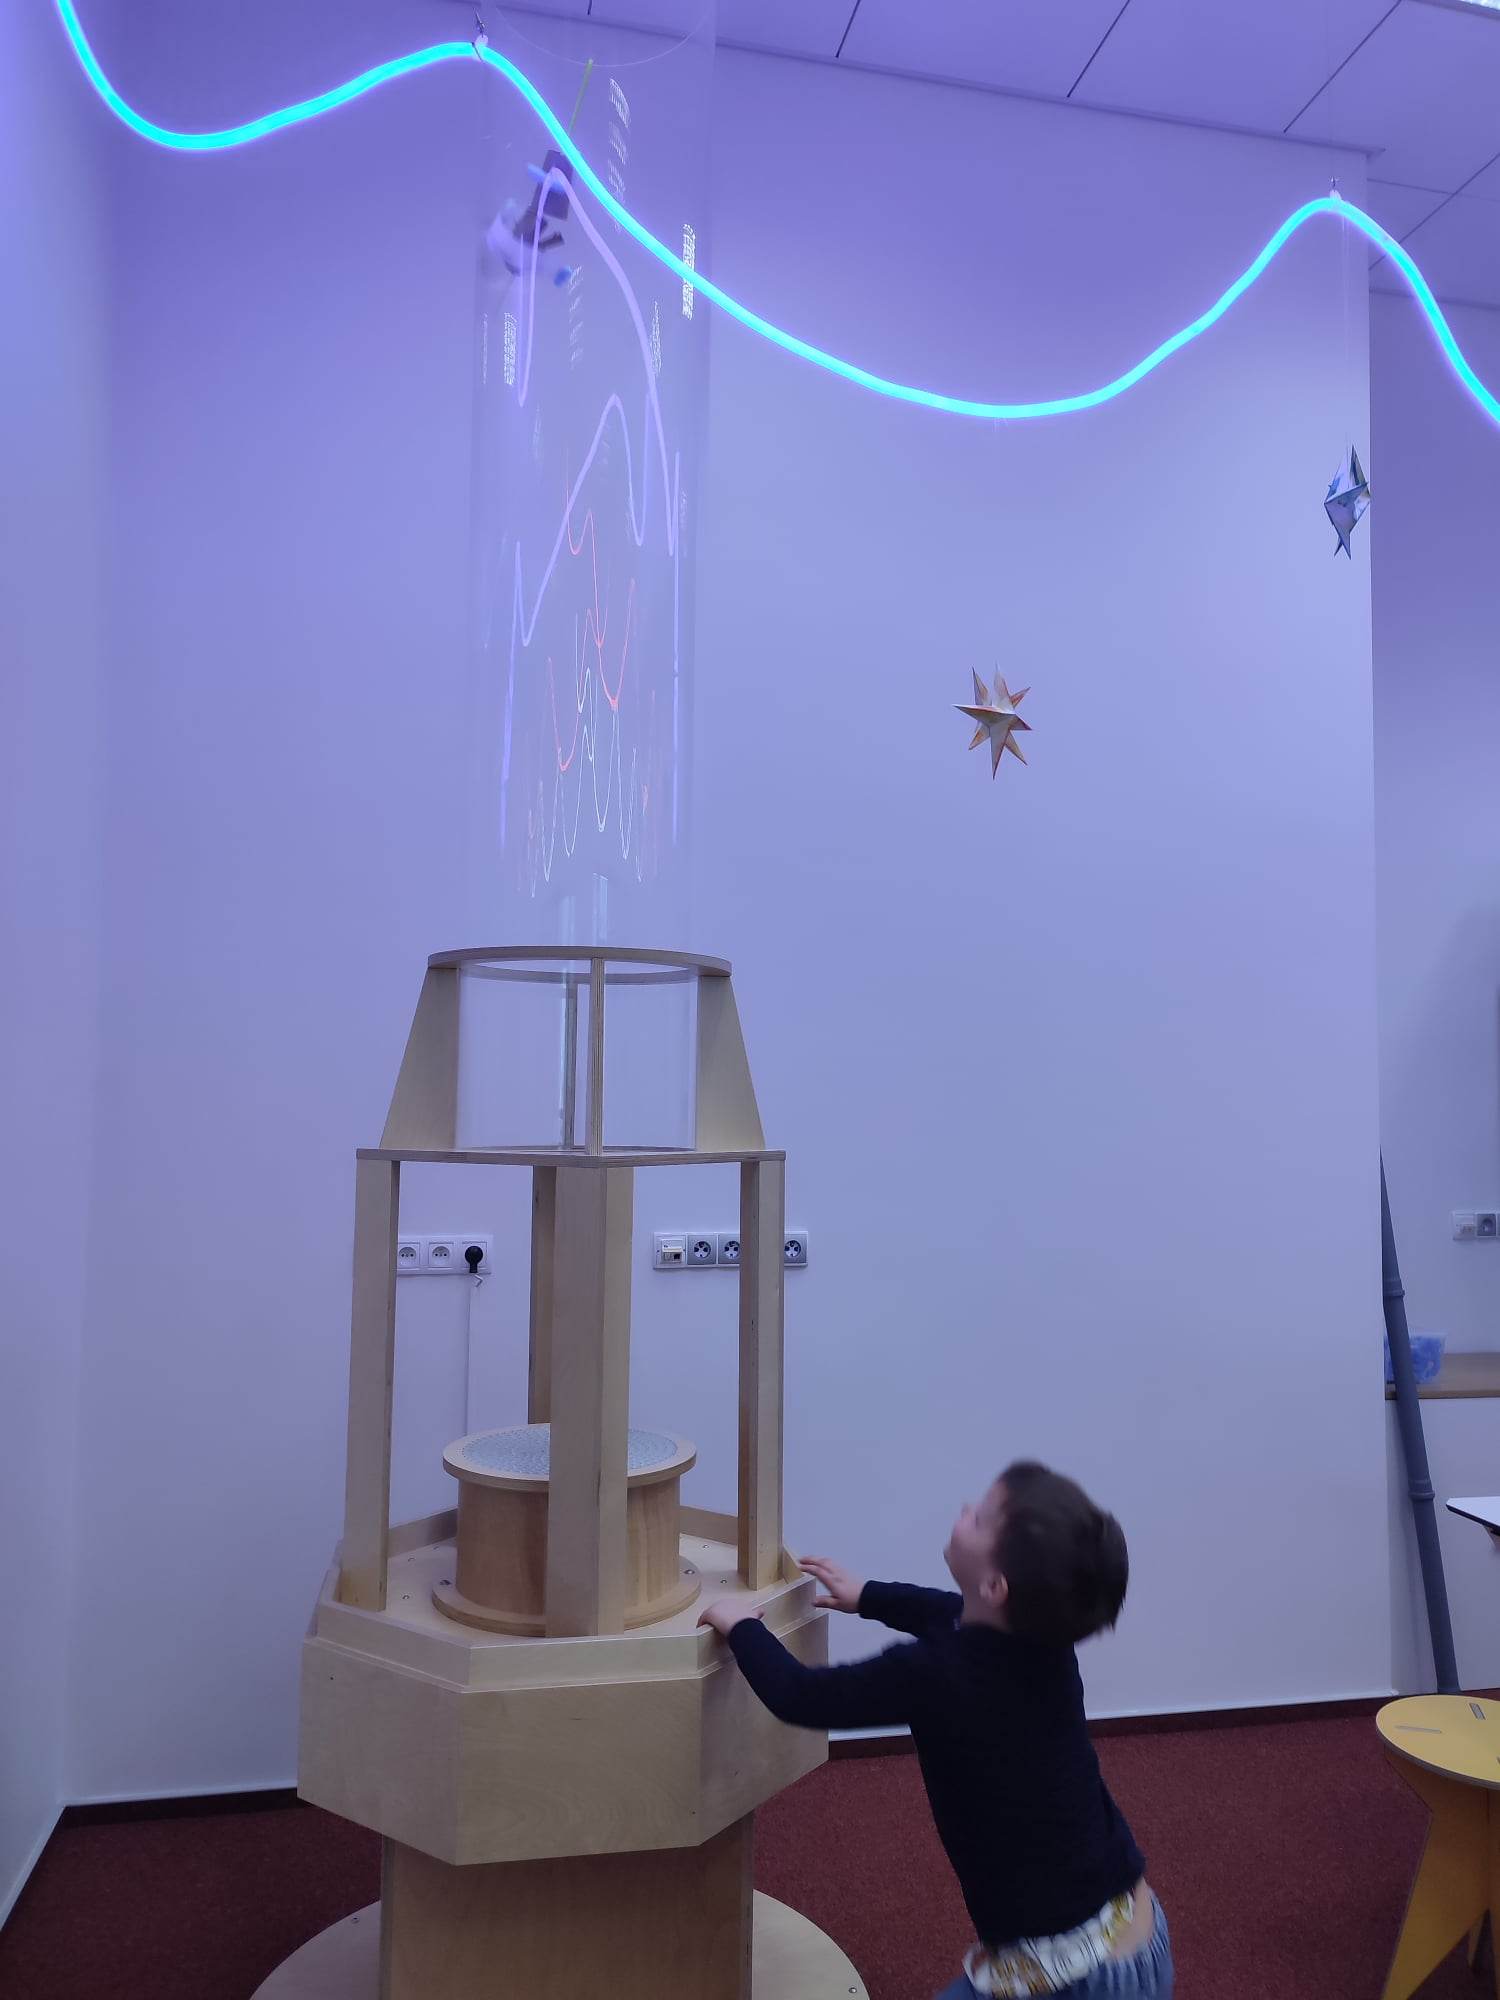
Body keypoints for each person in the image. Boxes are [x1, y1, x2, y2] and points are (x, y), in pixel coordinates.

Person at [698, 1461, 1172, 1999]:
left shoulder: (937, 1674)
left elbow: (799, 1695)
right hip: (1136, 1925)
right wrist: (867, 1595)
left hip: (1066, 1976)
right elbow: (946, 1610)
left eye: (980, 1518)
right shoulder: (1046, 1643)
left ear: (995, 1586)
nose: (964, 1510)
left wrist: (743, 1626)